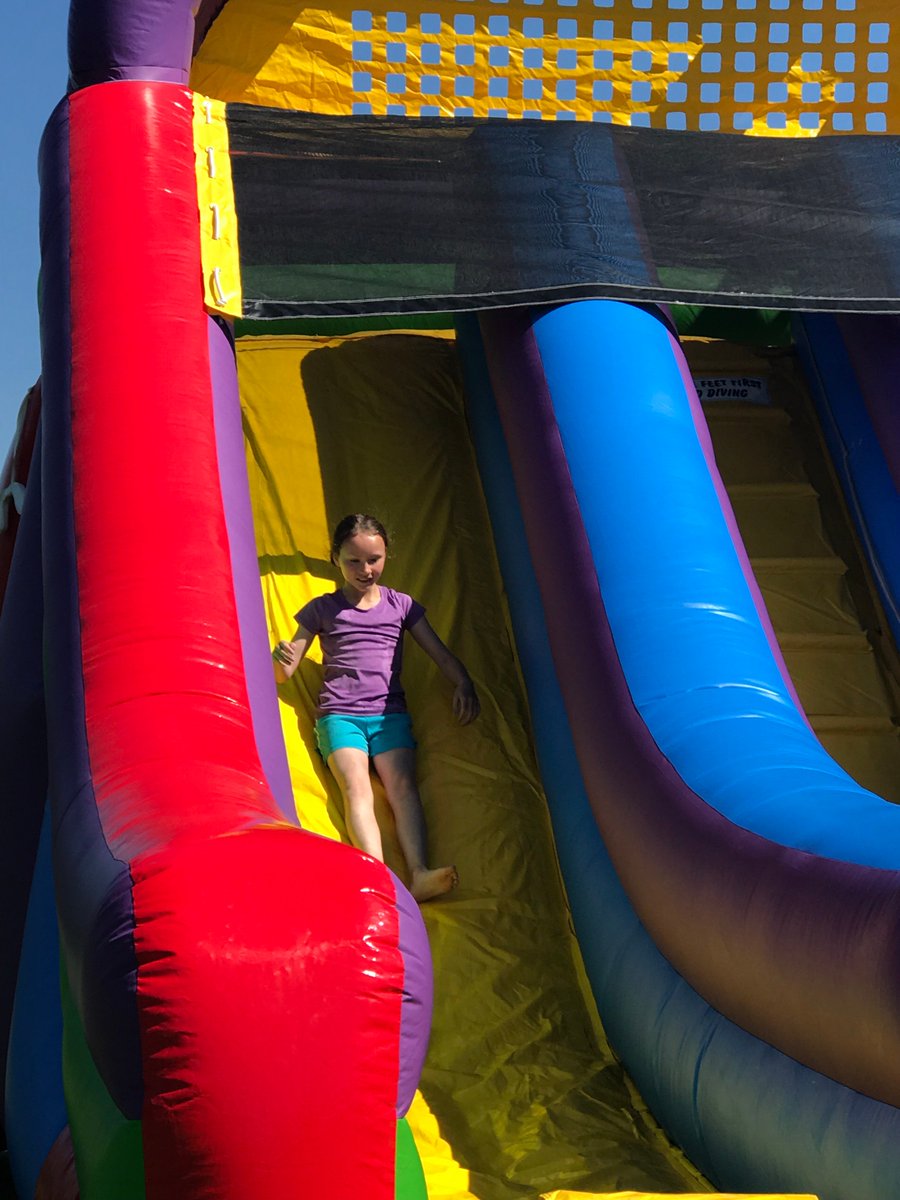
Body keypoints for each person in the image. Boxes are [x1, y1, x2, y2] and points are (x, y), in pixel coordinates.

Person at [272, 513, 479, 901]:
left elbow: (437, 651)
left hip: (389, 715)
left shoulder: (401, 606)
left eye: (374, 560)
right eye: (353, 561)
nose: (365, 570)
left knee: (402, 787)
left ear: (386, 555)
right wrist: (280, 658)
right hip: (340, 715)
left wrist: (464, 681)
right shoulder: (322, 608)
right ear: (335, 558)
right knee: (358, 789)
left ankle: (418, 873)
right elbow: (286, 672)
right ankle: (378, 878)